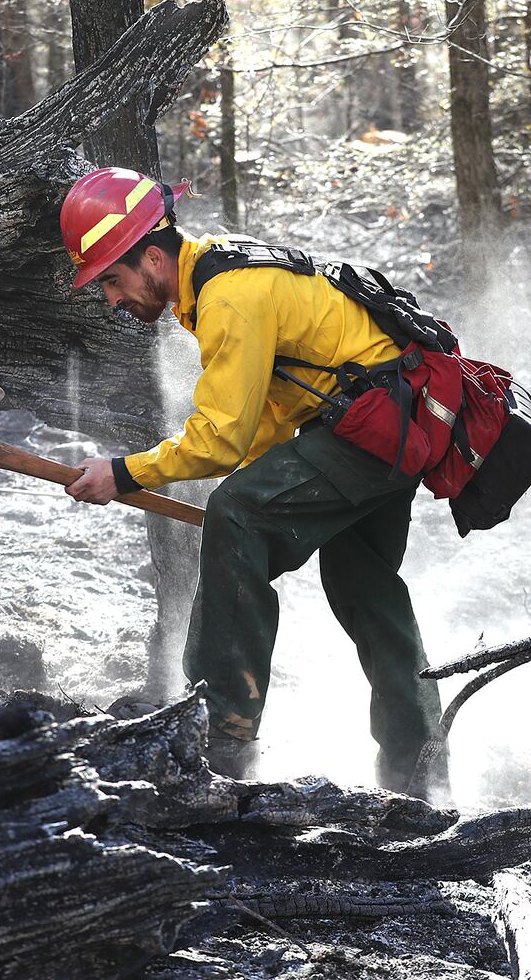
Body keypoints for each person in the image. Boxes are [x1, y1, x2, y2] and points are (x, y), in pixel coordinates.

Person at [59, 166, 447, 798]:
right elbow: (271, 409)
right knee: (364, 585)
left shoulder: (227, 297)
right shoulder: (218, 271)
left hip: (372, 425)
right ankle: (419, 771)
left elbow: (221, 436)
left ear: (152, 257)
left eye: (112, 279)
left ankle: (220, 737)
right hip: (394, 420)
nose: (111, 299)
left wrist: (126, 473)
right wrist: (254, 472)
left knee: (235, 515)